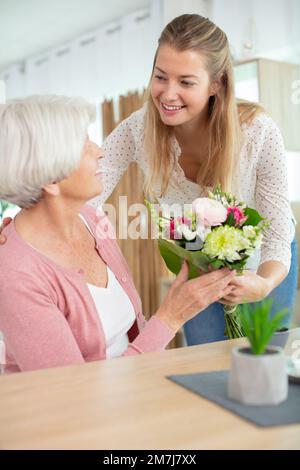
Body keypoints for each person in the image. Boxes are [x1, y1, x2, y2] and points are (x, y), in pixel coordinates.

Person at [1, 14, 297, 346]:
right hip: (197, 261)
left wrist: (264, 283)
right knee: (203, 361)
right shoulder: (138, 129)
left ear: (217, 84)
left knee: (265, 356)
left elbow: (277, 231)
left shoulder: (257, 131)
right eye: (160, 77)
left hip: (265, 259)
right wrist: (16, 225)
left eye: (186, 82)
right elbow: (75, 186)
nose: (168, 94)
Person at [0, 96, 235, 373]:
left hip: (133, 393)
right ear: (50, 179)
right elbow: (68, 393)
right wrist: (171, 317)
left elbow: (129, 334)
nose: (99, 151)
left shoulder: (92, 218)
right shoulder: (16, 275)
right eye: (84, 145)